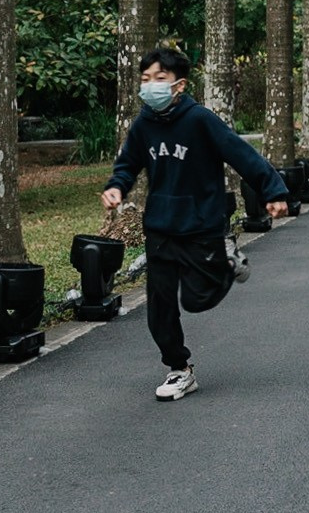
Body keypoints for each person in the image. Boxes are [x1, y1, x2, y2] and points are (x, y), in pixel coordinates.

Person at [102, 46, 289, 401]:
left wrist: (273, 190)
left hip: (202, 226)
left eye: (160, 79)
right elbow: (128, 163)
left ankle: (225, 260)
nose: (151, 86)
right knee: (159, 306)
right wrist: (115, 187)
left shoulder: (200, 121)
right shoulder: (143, 126)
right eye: (145, 80)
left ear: (179, 85)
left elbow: (241, 154)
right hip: (160, 227)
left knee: (197, 300)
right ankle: (179, 369)